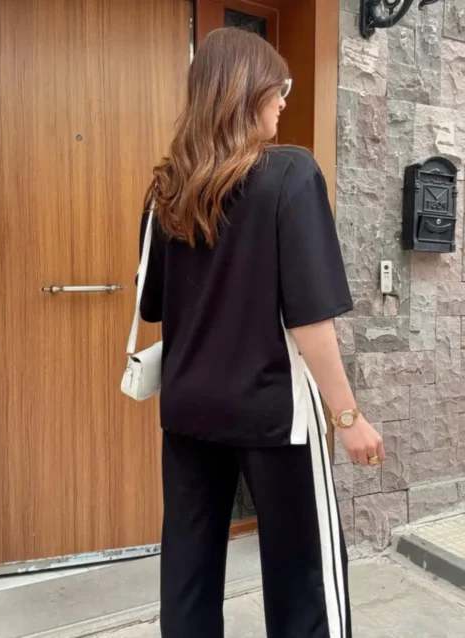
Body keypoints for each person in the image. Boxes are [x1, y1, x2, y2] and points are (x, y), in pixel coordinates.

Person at [137, 27, 385, 638]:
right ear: (248, 92)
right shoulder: (290, 173)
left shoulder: (166, 190)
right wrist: (348, 417)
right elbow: (309, 319)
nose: (284, 101)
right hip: (275, 414)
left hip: (189, 411)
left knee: (188, 575)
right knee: (306, 578)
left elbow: (154, 306)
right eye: (281, 87)